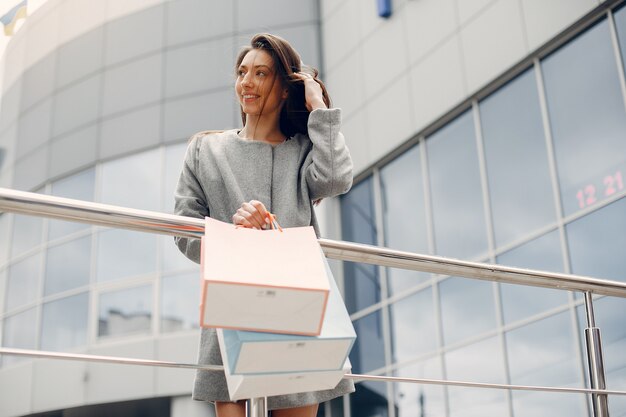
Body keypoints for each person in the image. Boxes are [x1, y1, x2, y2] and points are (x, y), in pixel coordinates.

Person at [173, 33, 355, 416]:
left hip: (299, 308)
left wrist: (319, 107)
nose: (247, 83)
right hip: (233, 309)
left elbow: (337, 178)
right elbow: (184, 229)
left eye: (261, 74)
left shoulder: (304, 150)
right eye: (242, 72)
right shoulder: (205, 149)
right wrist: (234, 237)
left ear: (285, 88)